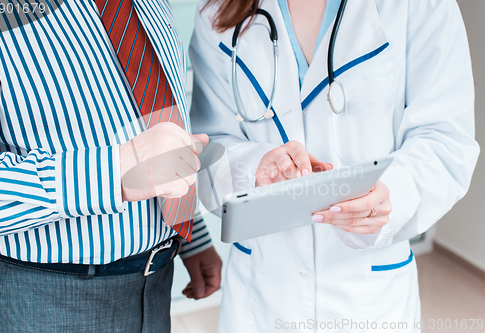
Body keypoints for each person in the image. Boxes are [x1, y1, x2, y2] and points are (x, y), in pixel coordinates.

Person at [189, 0, 480, 331]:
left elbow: (444, 138)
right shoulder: (216, 10)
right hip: (263, 290)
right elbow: (207, 145)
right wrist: (256, 165)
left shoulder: (421, 6)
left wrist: (393, 194)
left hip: (370, 296)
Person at [0, 0, 221, 332]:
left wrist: (193, 235)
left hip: (157, 281)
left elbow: (150, 108)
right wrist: (117, 171)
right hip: (41, 299)